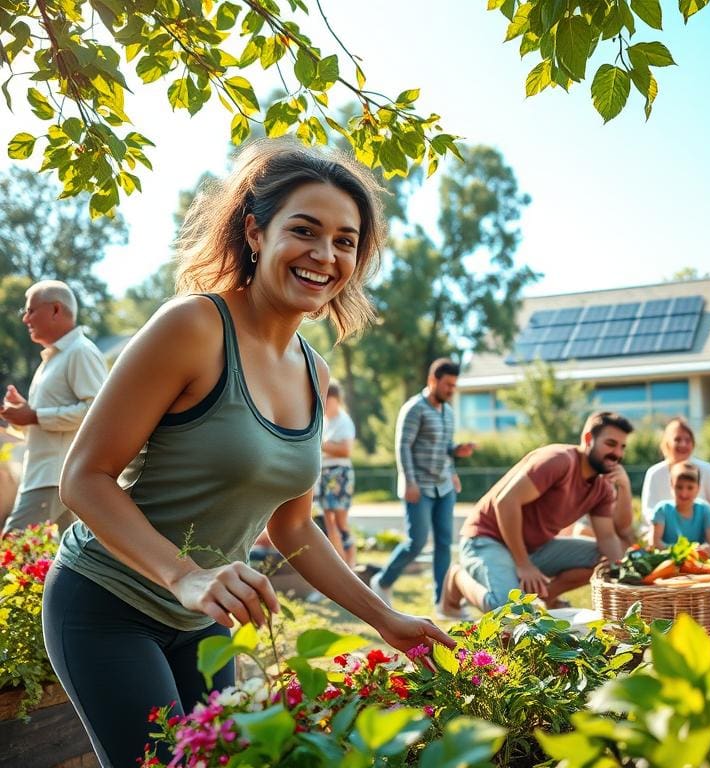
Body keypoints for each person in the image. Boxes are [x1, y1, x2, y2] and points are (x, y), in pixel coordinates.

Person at [42, 139, 452, 768]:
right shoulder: (193, 328)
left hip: (202, 621)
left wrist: (385, 618)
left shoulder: (313, 371)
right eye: (305, 231)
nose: (325, 255)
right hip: (107, 603)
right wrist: (186, 575)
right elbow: (83, 477)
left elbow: (293, 527)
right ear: (256, 232)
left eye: (346, 241)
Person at [439, 411, 633, 616]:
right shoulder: (559, 460)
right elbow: (505, 502)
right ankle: (457, 577)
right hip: (487, 539)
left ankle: (546, 598)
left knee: (605, 560)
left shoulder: (601, 486)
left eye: (622, 447)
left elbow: (608, 538)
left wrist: (627, 575)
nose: (617, 454)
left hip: (535, 548)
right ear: (587, 439)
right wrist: (524, 564)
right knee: (509, 611)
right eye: (611, 444)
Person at [1, 280, 107, 534]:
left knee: (12, 550)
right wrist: (23, 414)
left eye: (31, 310)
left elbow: (98, 415)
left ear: (56, 310)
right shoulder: (54, 358)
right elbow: (47, 426)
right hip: (49, 476)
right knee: (52, 562)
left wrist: (34, 415)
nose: (26, 318)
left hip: (53, 477)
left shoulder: (80, 352)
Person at [370, 358, 475, 612]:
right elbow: (403, 445)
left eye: (454, 385)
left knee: (443, 543)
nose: (451, 390)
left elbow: (442, 448)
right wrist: (409, 480)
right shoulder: (414, 408)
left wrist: (454, 460)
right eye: (448, 384)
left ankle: (442, 602)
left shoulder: (448, 413)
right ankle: (382, 581)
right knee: (415, 543)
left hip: (444, 486)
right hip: (419, 487)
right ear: (432, 381)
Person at [639, 416, 710, 532]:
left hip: (701, 529)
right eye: (677, 440)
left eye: (688, 440)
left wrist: (697, 518)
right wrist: (668, 522)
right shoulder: (654, 473)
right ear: (667, 443)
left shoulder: (705, 469)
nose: (683, 444)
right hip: (664, 531)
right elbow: (648, 510)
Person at [316, 381, 356, 566]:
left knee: (340, 522)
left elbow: (346, 449)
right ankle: (340, 564)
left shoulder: (344, 421)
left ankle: (351, 563)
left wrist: (319, 444)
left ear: (336, 400)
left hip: (339, 473)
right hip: (324, 473)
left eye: (326, 399)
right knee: (328, 522)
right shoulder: (324, 422)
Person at [651, 461, 710, 554]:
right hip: (668, 560)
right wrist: (682, 551)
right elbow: (655, 542)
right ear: (672, 486)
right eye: (679, 487)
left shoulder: (704, 509)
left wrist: (705, 549)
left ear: (698, 488)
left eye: (690, 488)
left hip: (696, 560)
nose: (684, 493)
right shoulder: (663, 510)